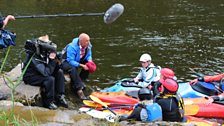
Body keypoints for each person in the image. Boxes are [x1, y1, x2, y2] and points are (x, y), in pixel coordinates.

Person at [23, 35, 68, 109]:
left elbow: (57, 68)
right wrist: (52, 61)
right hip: (31, 76)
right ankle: (48, 102)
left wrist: (58, 61)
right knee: (50, 79)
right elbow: (46, 73)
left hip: (40, 72)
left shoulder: (45, 53)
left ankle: (60, 96)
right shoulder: (34, 56)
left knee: (59, 72)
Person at [62, 33, 96, 100]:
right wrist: (81, 65)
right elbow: (70, 60)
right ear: (81, 41)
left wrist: (90, 61)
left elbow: (89, 55)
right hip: (66, 62)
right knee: (72, 68)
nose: (88, 42)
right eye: (86, 41)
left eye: (88, 40)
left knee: (88, 65)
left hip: (78, 59)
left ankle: (81, 81)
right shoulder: (72, 47)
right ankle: (79, 89)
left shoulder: (88, 45)